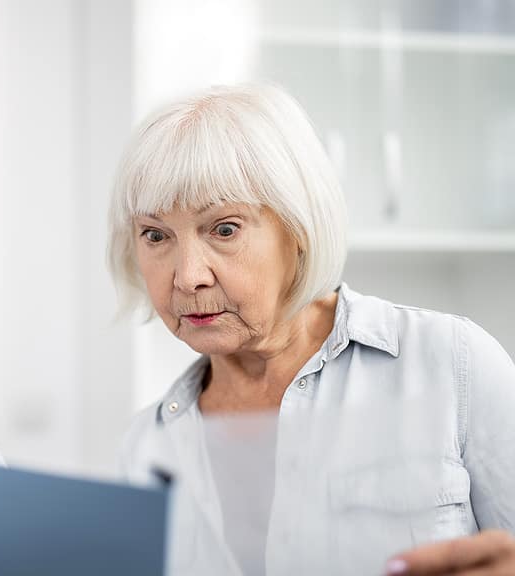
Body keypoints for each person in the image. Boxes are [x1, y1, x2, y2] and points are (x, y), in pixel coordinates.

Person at [109, 83, 515, 574]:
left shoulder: (454, 364)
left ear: (298, 231)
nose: (188, 275)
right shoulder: (147, 444)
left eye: (224, 229)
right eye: (156, 235)